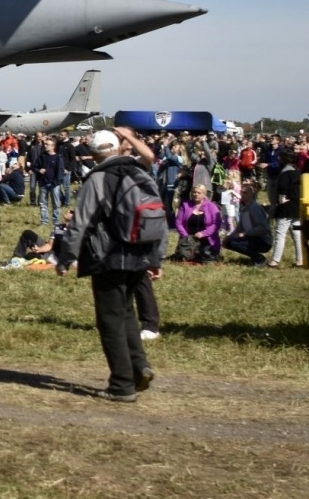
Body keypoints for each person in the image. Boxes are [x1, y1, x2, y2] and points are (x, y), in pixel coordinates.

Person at [56, 127, 163, 402]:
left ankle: (121, 385)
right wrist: (156, 258)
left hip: (109, 258)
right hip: (141, 255)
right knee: (127, 314)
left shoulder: (98, 178)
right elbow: (159, 216)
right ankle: (139, 368)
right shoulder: (140, 171)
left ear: (93, 155)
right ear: (118, 148)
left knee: (110, 321)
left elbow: (80, 223)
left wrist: (66, 257)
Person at [225, 179, 273, 266]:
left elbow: (261, 227)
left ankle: (259, 259)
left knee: (234, 243)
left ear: (251, 194)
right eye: (241, 192)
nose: (242, 195)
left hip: (263, 241)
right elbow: (240, 228)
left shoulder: (255, 208)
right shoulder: (243, 209)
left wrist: (245, 234)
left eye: (245, 193)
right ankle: (255, 257)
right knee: (229, 242)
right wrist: (229, 237)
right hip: (251, 237)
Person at [269, 155, 303, 267]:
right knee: (297, 234)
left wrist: (279, 202)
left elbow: (282, 192)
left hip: (285, 208)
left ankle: (275, 260)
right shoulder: (299, 174)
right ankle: (300, 260)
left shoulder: (284, 174)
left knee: (280, 234)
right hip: (297, 207)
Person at [174, 185, 222, 264]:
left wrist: (203, 233)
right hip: (189, 238)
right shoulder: (185, 205)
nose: (196, 194)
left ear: (204, 194)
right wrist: (186, 236)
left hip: (207, 238)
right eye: (194, 192)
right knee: (184, 257)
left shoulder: (212, 206)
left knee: (206, 258)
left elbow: (216, 223)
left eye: (199, 193)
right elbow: (178, 223)